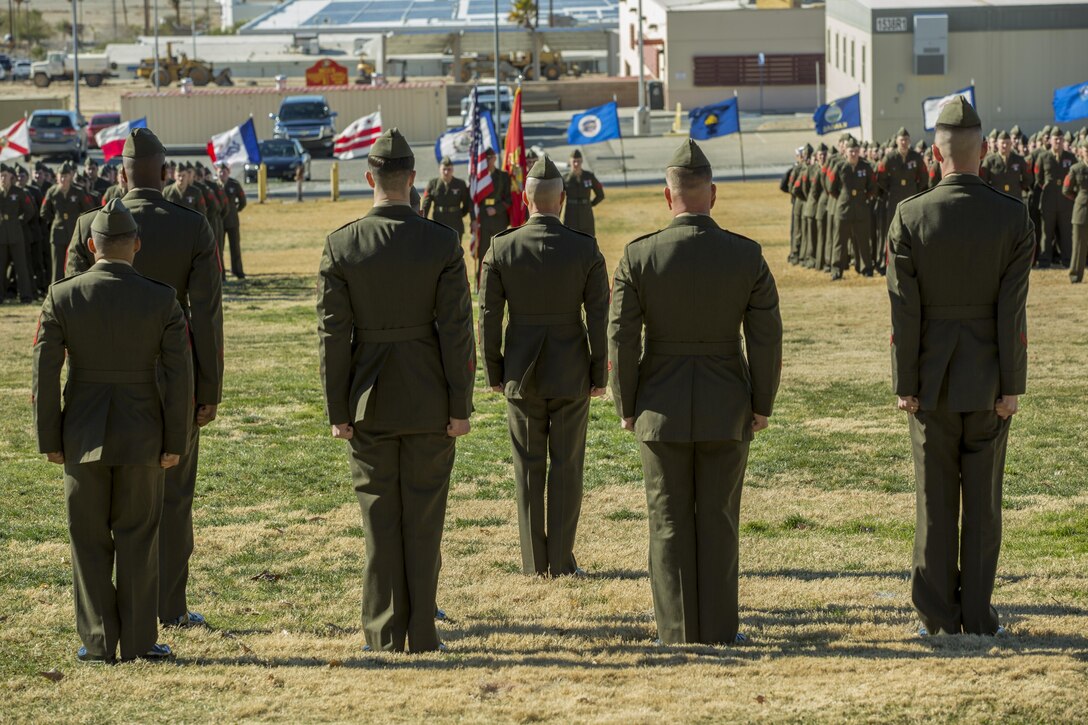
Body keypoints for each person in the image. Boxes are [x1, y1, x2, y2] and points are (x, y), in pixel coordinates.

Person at [608, 138, 782, 645]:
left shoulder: (638, 256)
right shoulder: (745, 255)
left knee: (667, 521)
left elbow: (620, 336)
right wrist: (762, 402)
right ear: (713, 194)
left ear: (667, 198)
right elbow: (766, 337)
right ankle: (721, 629)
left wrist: (626, 402)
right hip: (728, 402)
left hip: (658, 405)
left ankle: (677, 631)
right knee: (720, 520)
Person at [316, 128, 476, 653]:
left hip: (368, 399)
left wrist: (338, 410)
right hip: (430, 395)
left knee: (379, 518)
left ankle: (384, 632)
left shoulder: (342, 244)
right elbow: (456, 331)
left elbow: (333, 337)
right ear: (413, 180)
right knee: (425, 518)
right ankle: (423, 631)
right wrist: (459, 406)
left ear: (369, 179)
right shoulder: (441, 240)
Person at [886, 96, 1033, 637]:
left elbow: (903, 311)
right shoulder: (1012, 215)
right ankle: (976, 612)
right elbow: (1011, 310)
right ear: (986, 151)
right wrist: (1012, 387)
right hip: (990, 380)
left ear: (934, 154)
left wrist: (905, 383)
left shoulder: (910, 214)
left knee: (935, 501)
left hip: (929, 381)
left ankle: (938, 614)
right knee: (984, 505)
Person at [66, 128, 224, 630]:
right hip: (173, 378)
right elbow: (206, 315)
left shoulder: (88, 224)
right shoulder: (191, 225)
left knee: (100, 506)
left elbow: (65, 306)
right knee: (173, 497)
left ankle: (104, 619)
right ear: (164, 171)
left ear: (121, 173)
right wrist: (209, 388)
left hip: (98, 381)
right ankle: (167, 607)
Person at [33, 199, 193, 663]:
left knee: (87, 538)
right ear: (136, 246)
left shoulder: (62, 295)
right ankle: (141, 640)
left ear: (90, 245)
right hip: (144, 433)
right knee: (140, 537)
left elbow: (45, 374)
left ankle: (99, 640)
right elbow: (179, 377)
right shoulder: (161, 297)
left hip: (81, 433)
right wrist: (174, 441)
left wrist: (50, 438)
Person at [479, 153, 609, 577]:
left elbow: (488, 317)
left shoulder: (502, 246)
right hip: (571, 369)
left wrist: (494, 371)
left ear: (525, 197)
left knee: (529, 467)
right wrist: (597, 370)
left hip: (521, 369)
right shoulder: (584, 247)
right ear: (561, 199)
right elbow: (599, 316)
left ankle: (536, 563)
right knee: (568, 466)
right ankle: (561, 560)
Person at [877, 128, 928, 271]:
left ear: (909, 141)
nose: (904, 142)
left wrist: (917, 190)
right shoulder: (889, 158)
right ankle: (886, 262)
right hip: (894, 198)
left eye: (906, 139)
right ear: (897, 141)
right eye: (901, 140)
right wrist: (890, 189)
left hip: (912, 197)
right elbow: (880, 178)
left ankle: (914, 262)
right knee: (891, 231)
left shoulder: (916, 157)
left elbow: (924, 176)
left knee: (913, 231)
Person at [829, 138, 876, 279]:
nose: (854, 154)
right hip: (844, 210)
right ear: (846, 152)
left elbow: (872, 187)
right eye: (851, 151)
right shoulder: (840, 167)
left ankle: (866, 268)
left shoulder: (865, 167)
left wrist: (863, 198)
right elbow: (831, 188)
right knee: (840, 242)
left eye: (856, 151)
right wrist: (844, 197)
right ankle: (836, 270)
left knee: (863, 241)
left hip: (861, 209)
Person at [40, 162, 95, 282]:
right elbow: (44, 211)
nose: (63, 179)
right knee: (57, 265)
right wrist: (55, 221)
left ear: (71, 176)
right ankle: (57, 291)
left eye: (66, 176)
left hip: (73, 232)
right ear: (57, 176)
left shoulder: (78, 192)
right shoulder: (52, 192)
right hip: (57, 233)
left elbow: (88, 209)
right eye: (61, 176)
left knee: (74, 263)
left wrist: (80, 224)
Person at [1034, 127, 1077, 268]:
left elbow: (1074, 178)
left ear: (1063, 140)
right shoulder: (1043, 157)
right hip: (1048, 201)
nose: (1058, 141)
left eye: (1060, 139)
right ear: (1051, 140)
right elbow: (1038, 178)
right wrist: (1048, 188)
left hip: (1065, 201)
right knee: (1047, 233)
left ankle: (1068, 260)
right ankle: (1045, 261)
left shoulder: (1070, 158)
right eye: (1055, 139)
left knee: (1066, 233)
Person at [472, 148, 511, 288]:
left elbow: (508, 199)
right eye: (486, 158)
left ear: (495, 158)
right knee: (482, 250)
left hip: (498, 217)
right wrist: (474, 219)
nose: (488, 160)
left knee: (500, 251)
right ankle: (480, 282)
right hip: (483, 218)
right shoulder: (478, 177)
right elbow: (473, 201)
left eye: (491, 157)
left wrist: (496, 209)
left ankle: (502, 282)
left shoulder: (503, 176)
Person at [0, 164, 37, 303]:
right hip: (1, 233)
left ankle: (26, 296)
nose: (3, 178)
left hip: (16, 233)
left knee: (21, 266)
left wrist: (19, 222)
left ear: (11, 177)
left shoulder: (19, 192)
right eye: (1, 176)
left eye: (5, 176)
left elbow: (30, 210)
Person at [421, 157, 473, 239]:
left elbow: (466, 204)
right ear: (439, 169)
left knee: (455, 250)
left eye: (449, 169)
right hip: (438, 221)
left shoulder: (460, 184)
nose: (446, 172)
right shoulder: (432, 184)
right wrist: (423, 220)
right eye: (444, 169)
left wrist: (459, 214)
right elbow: (426, 205)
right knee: (438, 250)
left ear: (452, 170)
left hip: (455, 221)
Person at [561, 149, 605, 237]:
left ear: (582, 161)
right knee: (569, 239)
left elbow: (600, 195)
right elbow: (558, 197)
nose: (576, 164)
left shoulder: (589, 176)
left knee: (588, 239)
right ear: (570, 162)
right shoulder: (565, 179)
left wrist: (591, 204)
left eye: (578, 161)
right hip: (571, 215)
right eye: (574, 161)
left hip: (586, 214)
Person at [981, 130, 1033, 200]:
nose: (1005, 145)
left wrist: (1017, 187)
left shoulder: (1019, 160)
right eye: (1002, 143)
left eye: (1007, 143)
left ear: (1011, 144)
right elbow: (983, 180)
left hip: (1015, 197)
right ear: (997, 144)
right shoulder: (990, 160)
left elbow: (1028, 178)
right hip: (996, 198)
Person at [1062, 140, 1088, 283]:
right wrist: (1079, 198)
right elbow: (1066, 189)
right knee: (1079, 245)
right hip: (1082, 211)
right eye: (1086, 150)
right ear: (1081, 151)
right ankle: (1075, 275)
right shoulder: (1076, 169)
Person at [217, 162, 247, 279]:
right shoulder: (215, 186)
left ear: (228, 173)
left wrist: (235, 210)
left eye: (224, 172)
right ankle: (221, 273)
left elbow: (243, 201)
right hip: (219, 222)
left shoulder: (234, 184)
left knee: (235, 247)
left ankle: (237, 271)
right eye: (220, 171)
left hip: (232, 221)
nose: (222, 174)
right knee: (219, 248)